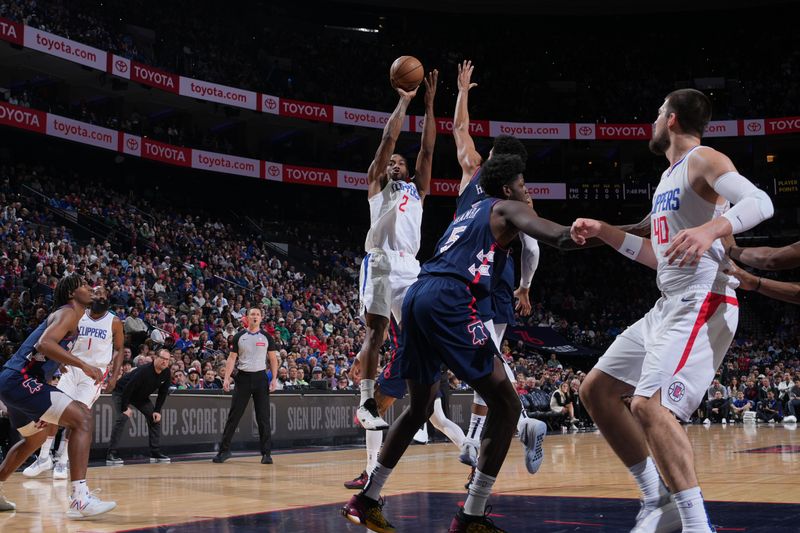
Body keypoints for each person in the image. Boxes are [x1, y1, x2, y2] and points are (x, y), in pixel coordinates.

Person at [571, 88, 773, 533]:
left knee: (650, 406)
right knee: (597, 391)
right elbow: (659, 256)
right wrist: (605, 230)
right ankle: (655, 499)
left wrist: (712, 229)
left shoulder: (704, 158)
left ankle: (696, 525)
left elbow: (761, 202)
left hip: (704, 298)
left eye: (658, 112)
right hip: (668, 302)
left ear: (674, 119)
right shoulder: (666, 180)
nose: (653, 120)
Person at [342, 153, 573, 532]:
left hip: (419, 292)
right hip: (448, 297)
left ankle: (366, 499)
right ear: (506, 188)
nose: (526, 191)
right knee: (507, 403)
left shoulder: (470, 204)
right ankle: (472, 514)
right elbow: (558, 237)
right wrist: (623, 233)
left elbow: (473, 158)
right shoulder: (506, 208)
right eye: (522, 185)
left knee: (418, 408)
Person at [451, 60, 546, 473]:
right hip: (484, 275)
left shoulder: (482, 175)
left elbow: (534, 243)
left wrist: (463, 93)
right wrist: (463, 92)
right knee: (482, 359)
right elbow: (458, 130)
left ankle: (511, 426)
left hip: (486, 274)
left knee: (484, 356)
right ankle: (488, 435)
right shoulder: (490, 180)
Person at [354, 69, 437, 431]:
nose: (393, 164)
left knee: (421, 336)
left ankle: (420, 407)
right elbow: (388, 140)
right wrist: (404, 101)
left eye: (399, 163)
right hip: (382, 261)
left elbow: (428, 149)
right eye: (390, 163)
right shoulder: (377, 185)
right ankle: (366, 402)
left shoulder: (417, 189)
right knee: (377, 331)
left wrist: (430, 106)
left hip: (411, 268)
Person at [0, 275, 116, 518]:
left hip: (11, 381)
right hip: (21, 381)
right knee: (82, 417)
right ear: (72, 293)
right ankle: (79, 499)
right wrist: (83, 365)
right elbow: (44, 343)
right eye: (84, 286)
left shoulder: (68, 314)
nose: (90, 289)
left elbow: (43, 350)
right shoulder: (69, 312)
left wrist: (58, 364)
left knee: (34, 440)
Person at [23, 285, 124, 480]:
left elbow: (119, 349)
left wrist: (114, 376)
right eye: (96, 292)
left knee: (76, 415)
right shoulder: (78, 315)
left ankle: (62, 460)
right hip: (71, 368)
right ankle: (44, 457)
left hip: (94, 373)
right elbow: (62, 338)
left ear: (107, 299)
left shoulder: (115, 322)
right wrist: (59, 360)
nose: (99, 295)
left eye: (103, 293)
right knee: (52, 410)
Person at [212, 307, 278, 464]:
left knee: (263, 417)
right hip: (243, 378)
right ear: (246, 318)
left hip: (261, 378)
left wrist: (274, 378)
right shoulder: (239, 336)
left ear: (261, 318)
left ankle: (266, 454)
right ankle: (224, 451)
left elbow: (273, 359)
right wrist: (227, 378)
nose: (255, 316)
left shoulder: (267, 336)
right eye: (252, 314)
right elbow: (231, 358)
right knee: (234, 415)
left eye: (257, 314)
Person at [106, 348, 172, 465]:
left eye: (167, 360)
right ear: (155, 358)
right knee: (122, 417)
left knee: (154, 418)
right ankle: (111, 454)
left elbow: (163, 393)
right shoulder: (144, 371)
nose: (165, 362)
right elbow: (128, 387)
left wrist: (157, 410)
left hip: (140, 397)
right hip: (122, 392)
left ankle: (155, 452)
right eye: (162, 359)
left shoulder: (166, 372)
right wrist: (124, 407)